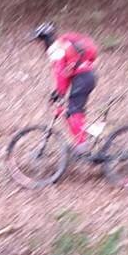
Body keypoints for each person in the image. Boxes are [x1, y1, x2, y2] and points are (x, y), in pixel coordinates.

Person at [32, 22, 98, 155]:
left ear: (44, 40)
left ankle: (82, 146)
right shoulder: (63, 45)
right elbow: (67, 73)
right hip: (87, 76)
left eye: (39, 42)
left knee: (73, 111)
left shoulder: (55, 49)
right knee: (73, 112)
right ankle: (89, 137)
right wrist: (58, 92)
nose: (40, 45)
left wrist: (59, 93)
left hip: (82, 78)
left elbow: (60, 73)